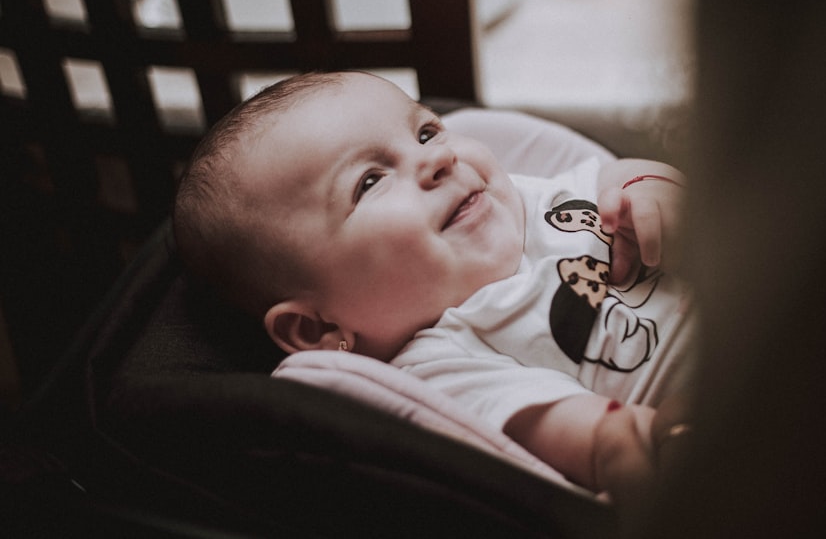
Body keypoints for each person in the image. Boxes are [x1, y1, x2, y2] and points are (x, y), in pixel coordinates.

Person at [173, 70, 694, 498]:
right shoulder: (439, 363)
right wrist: (634, 440)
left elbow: (606, 175)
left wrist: (646, 187)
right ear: (316, 327)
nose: (438, 158)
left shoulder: (525, 196)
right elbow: (598, 438)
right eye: (370, 181)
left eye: (425, 132)